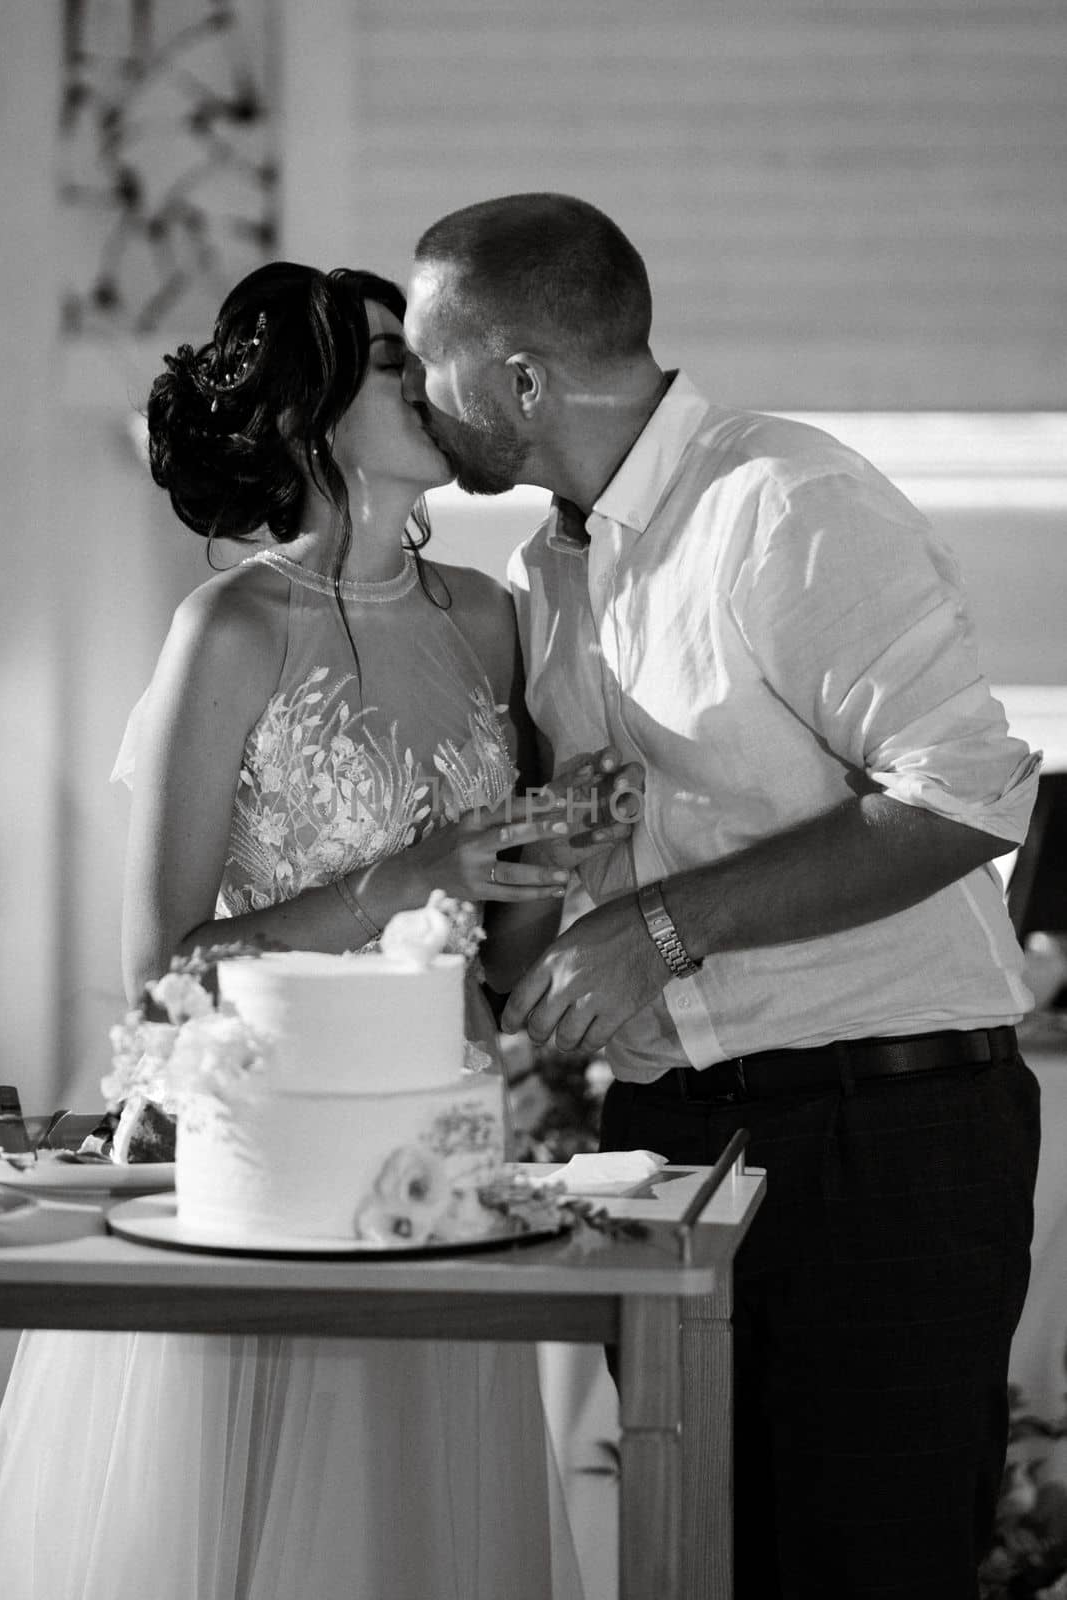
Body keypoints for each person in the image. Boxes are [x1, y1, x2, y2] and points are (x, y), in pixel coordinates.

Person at [401, 193, 1044, 1600]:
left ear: (518, 379)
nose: (412, 394)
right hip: (669, 1142)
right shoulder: (543, 571)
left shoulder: (784, 501)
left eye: (428, 364)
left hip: (886, 1139)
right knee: (701, 1566)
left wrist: (665, 928)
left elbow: (966, 795)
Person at [0, 261, 609, 1600]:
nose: (431, 381)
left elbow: (499, 970)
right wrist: (399, 880)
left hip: (436, 1153)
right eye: (397, 361)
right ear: (311, 413)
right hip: (261, 1163)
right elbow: (155, 969)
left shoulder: (494, 623)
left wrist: (553, 862)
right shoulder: (229, 629)